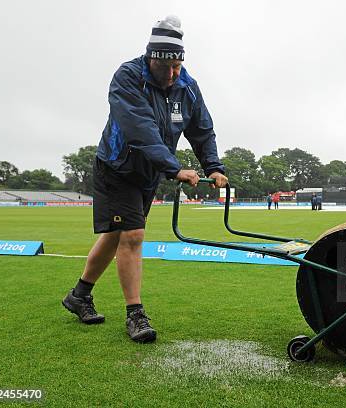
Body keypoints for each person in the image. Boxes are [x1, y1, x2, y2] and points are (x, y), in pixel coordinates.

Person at [62, 15, 228, 343]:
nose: (171, 75)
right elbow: (140, 128)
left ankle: (79, 296)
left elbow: (202, 128)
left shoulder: (187, 86)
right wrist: (173, 167)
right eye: (165, 67)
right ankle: (135, 314)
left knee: (116, 235)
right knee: (133, 235)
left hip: (148, 172)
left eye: (177, 67)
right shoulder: (127, 77)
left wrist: (213, 166)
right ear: (151, 57)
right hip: (117, 167)